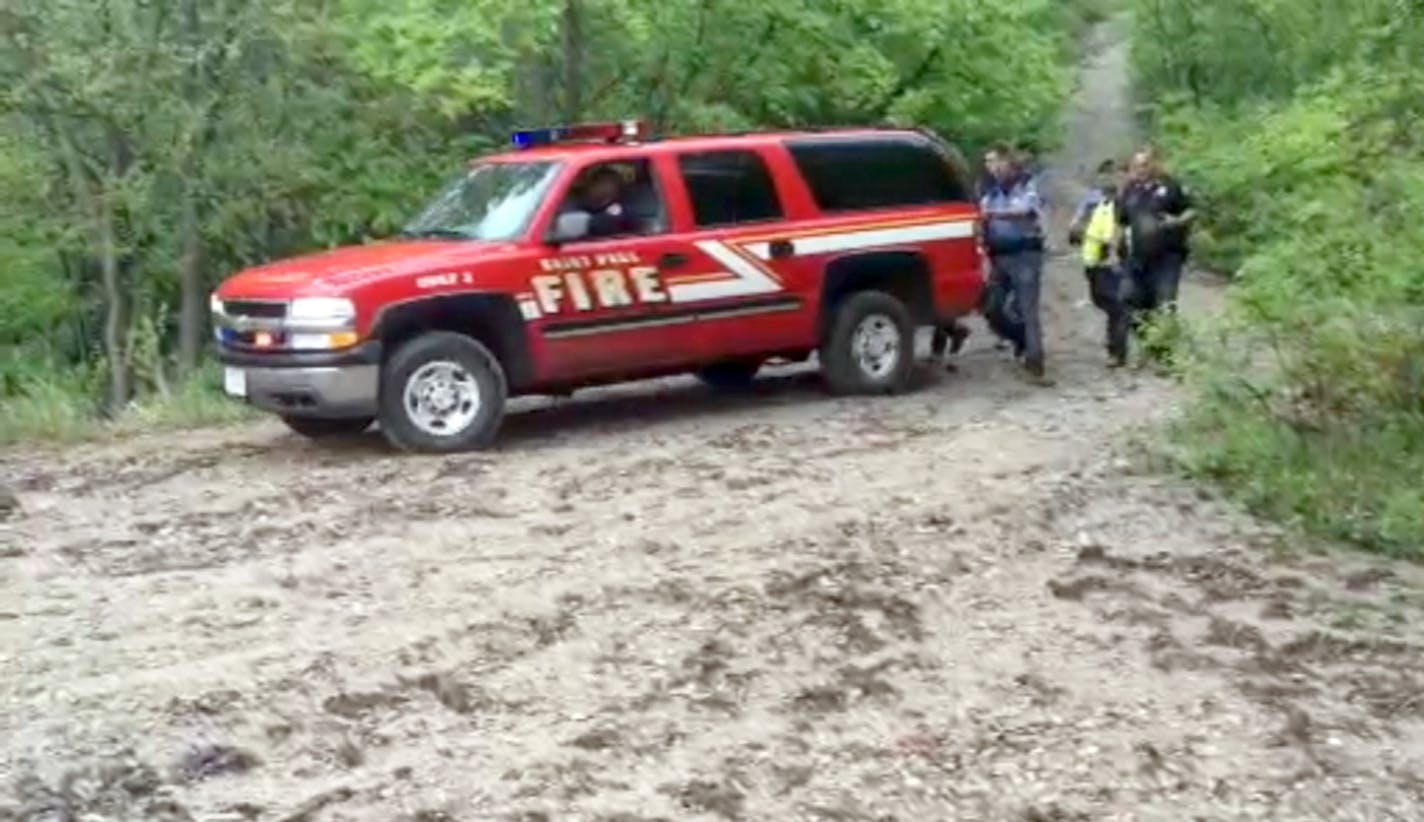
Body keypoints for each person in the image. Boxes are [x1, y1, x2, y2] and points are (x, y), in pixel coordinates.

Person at [980, 142, 1050, 384]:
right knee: (992, 307)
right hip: (999, 255)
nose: (990, 167)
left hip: (1025, 253)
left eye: (993, 161)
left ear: (1006, 162)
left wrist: (993, 215)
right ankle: (1020, 340)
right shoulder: (991, 190)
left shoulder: (1028, 184)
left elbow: (1026, 209)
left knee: (1027, 308)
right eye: (987, 163)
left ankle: (1035, 363)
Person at [1117, 148, 1195, 357]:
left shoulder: (1170, 186)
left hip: (1167, 256)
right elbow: (1121, 221)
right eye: (1136, 166)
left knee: (1165, 304)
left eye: (1144, 165)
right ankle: (1149, 345)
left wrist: (1177, 221)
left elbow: (1191, 210)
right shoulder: (1130, 190)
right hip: (1136, 257)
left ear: (1154, 165)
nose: (1140, 169)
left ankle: (1167, 355)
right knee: (1132, 301)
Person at [1077, 159, 1130, 367]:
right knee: (1106, 303)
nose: (1107, 179)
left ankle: (1118, 350)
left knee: (1118, 307)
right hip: (1096, 262)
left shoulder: (1122, 203)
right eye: (1104, 175)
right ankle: (1116, 347)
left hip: (1112, 261)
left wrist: (1113, 252)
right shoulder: (1101, 202)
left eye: (1113, 174)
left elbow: (1120, 231)